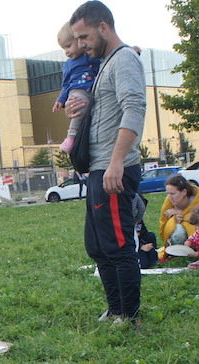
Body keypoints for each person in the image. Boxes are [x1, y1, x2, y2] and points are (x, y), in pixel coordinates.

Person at [66, 1, 146, 323]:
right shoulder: (105, 65)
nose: (81, 46)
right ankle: (115, 309)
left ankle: (128, 315)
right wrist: (79, 110)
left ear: (103, 28)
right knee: (98, 247)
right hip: (98, 168)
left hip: (114, 169)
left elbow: (134, 109)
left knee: (118, 246)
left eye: (84, 37)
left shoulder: (123, 59)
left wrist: (116, 163)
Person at [53, 22, 100, 153]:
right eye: (64, 49)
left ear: (79, 41)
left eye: (68, 46)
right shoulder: (68, 65)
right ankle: (71, 137)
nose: (67, 51)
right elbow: (66, 84)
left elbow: (103, 63)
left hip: (92, 89)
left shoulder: (89, 56)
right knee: (78, 108)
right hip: (77, 91)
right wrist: (61, 100)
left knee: (87, 110)